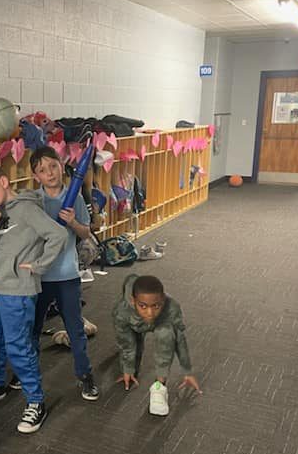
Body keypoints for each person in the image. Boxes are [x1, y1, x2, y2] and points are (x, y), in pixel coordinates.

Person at [0, 164, 67, 433]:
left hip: (18, 291)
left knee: (18, 347)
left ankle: (36, 401)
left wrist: (39, 266)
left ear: (3, 181)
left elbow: (57, 234)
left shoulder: (26, 209)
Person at [27, 146, 99, 401]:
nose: (50, 173)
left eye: (53, 166)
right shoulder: (33, 201)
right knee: (33, 327)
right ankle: (27, 373)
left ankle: (85, 375)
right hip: (39, 277)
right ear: (36, 176)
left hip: (67, 275)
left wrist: (73, 223)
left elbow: (85, 232)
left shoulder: (74, 196)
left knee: (75, 328)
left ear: (61, 166)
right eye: (42, 170)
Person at [113, 274, 201, 416]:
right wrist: (128, 368)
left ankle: (159, 387)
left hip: (160, 324)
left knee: (166, 334)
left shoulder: (172, 307)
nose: (150, 313)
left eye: (156, 306)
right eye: (143, 306)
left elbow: (179, 339)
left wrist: (187, 370)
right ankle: (131, 366)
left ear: (163, 300)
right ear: (133, 301)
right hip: (133, 325)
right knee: (134, 351)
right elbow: (126, 344)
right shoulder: (121, 311)